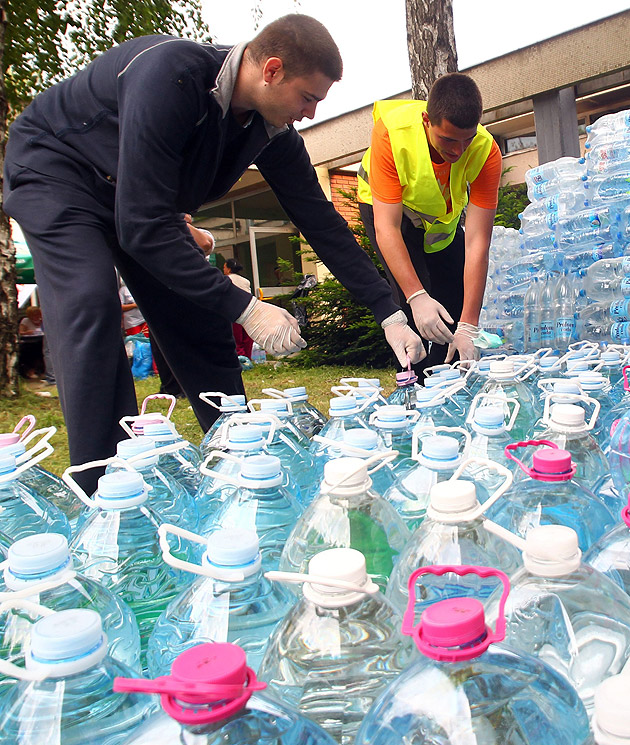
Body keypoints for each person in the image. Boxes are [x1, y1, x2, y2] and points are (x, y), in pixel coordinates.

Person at [3, 14, 425, 491]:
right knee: (90, 301)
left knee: (197, 312)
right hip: (60, 172)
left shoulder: (272, 132)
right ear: (271, 70)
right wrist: (247, 307)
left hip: (137, 195)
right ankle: (106, 488)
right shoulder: (171, 76)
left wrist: (388, 311)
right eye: (308, 98)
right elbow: (142, 225)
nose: (310, 114)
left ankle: (237, 456)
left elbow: (322, 223)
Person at [356, 72, 501, 376]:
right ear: (426, 121)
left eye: (467, 140)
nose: (458, 151)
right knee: (414, 312)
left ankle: (453, 384)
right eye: (448, 139)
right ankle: (417, 394)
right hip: (388, 212)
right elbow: (388, 228)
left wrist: (469, 325)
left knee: (455, 303)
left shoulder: (487, 152)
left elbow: (477, 242)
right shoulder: (392, 134)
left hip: (439, 225)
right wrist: (416, 296)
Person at [222, 258, 255, 358]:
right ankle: (248, 358)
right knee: (247, 338)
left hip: (233, 311)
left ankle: (241, 358)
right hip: (248, 310)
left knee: (237, 338)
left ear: (228, 269)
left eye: (224, 267)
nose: (223, 270)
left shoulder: (226, 280)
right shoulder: (245, 281)